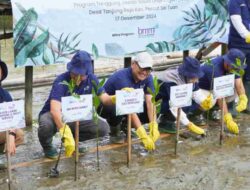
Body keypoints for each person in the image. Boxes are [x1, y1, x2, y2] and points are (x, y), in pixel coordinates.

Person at [38, 50, 113, 159]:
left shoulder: (92, 79)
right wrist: (64, 132)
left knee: (103, 128)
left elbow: (105, 99)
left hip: (76, 115)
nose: (77, 77)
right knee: (46, 124)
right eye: (74, 73)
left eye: (81, 75)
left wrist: (119, 97)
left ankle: (74, 142)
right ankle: (47, 146)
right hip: (56, 114)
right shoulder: (61, 81)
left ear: (87, 73)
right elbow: (54, 109)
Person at [98, 52, 159, 151]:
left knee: (154, 110)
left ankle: (126, 126)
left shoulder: (148, 78)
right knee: (115, 108)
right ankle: (115, 131)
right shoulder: (121, 78)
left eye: (148, 69)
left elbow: (150, 102)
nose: (144, 72)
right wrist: (142, 134)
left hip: (129, 106)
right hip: (107, 106)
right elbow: (129, 108)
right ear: (133, 64)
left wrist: (154, 124)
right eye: (142, 68)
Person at [156, 57, 212, 135]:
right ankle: (164, 122)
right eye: (194, 77)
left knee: (193, 103)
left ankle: (178, 118)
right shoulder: (171, 80)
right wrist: (189, 124)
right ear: (186, 74)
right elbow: (175, 106)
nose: (197, 80)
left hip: (171, 99)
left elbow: (196, 92)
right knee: (183, 104)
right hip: (160, 101)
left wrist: (204, 100)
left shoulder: (190, 79)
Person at [198, 48, 247, 134]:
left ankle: (213, 112)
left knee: (235, 90)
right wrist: (228, 118)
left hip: (214, 87)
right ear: (227, 63)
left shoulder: (233, 66)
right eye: (235, 67)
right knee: (211, 101)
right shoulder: (214, 69)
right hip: (200, 88)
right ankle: (194, 114)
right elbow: (220, 96)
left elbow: (238, 83)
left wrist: (243, 97)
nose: (236, 69)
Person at [228, 0, 250, 112]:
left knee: (248, 76)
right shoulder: (235, 1)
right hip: (238, 44)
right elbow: (236, 20)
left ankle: (246, 104)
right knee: (234, 73)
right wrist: (246, 35)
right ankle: (231, 106)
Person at [0, 59, 24, 156]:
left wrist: (11, 135)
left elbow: (13, 119)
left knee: (19, 134)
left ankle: (3, 154)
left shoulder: (5, 95)